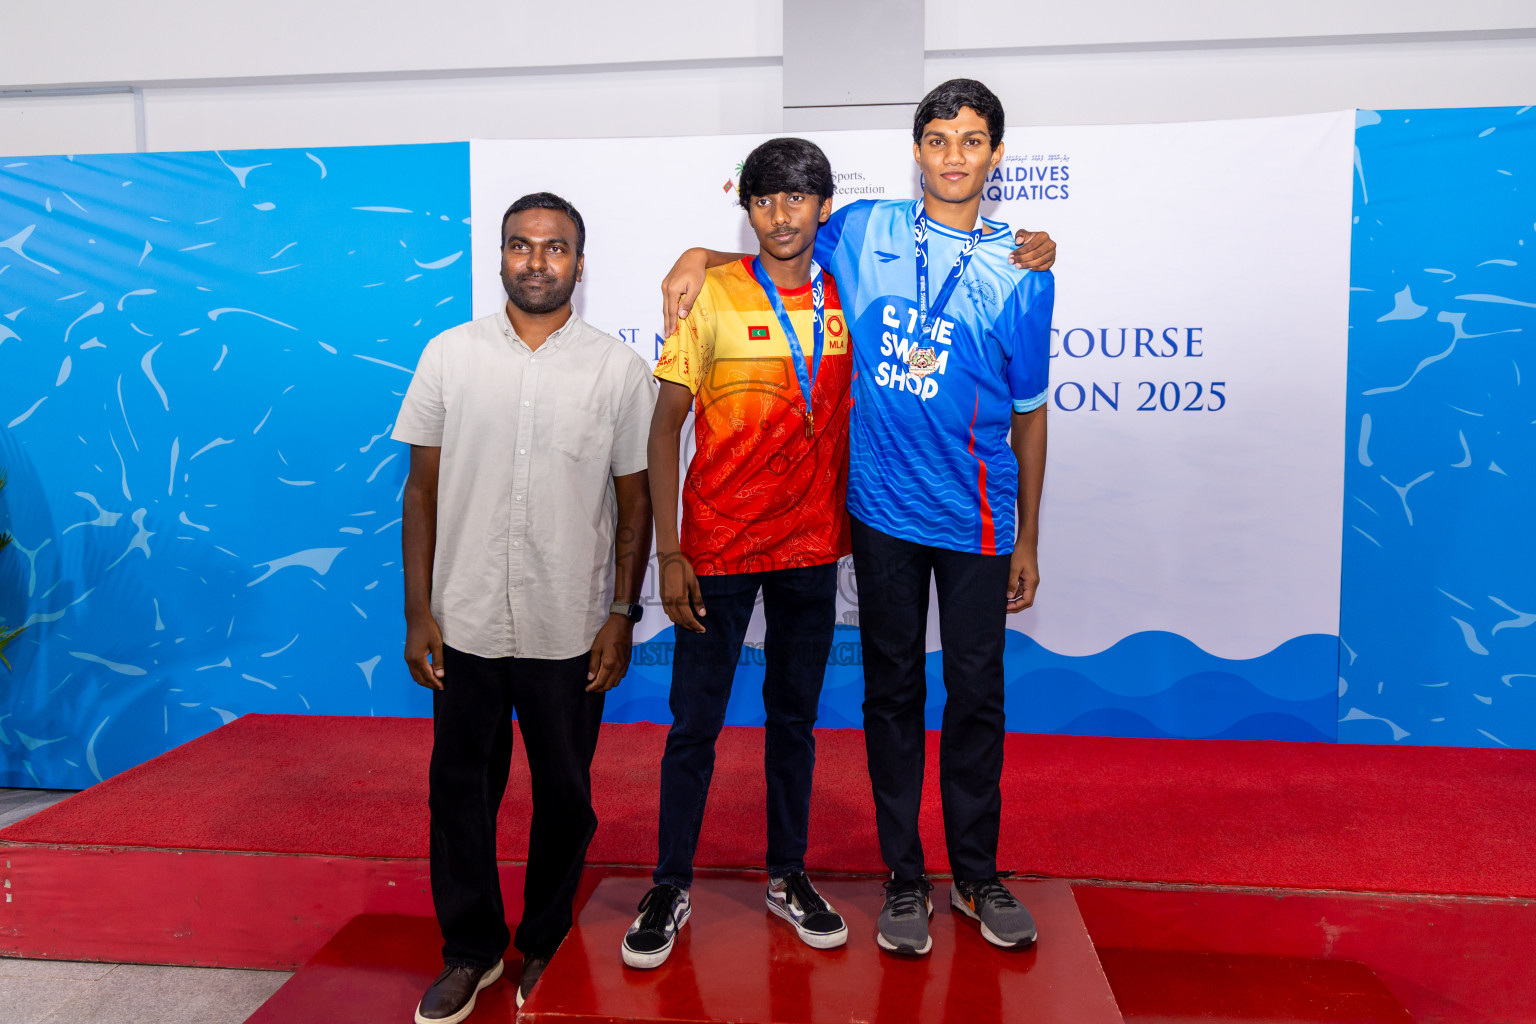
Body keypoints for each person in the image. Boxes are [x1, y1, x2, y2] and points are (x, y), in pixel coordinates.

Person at [660, 79, 1055, 957]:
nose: (955, 155)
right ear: (917, 151)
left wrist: (1029, 533)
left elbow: (1030, 410)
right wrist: (695, 252)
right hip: (878, 511)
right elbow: (778, 243)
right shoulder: (866, 227)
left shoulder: (1025, 269)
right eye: (940, 139)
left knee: (977, 699)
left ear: (995, 155)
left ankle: (978, 879)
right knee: (891, 696)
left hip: (980, 520)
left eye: (974, 140)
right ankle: (904, 881)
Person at [394, 192, 655, 1022]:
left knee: (566, 796)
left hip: (570, 624)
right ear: (500, 256)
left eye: (554, 248)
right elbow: (421, 492)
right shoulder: (448, 356)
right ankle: (470, 951)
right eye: (520, 246)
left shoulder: (617, 369)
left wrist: (620, 612)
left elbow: (636, 503)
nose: (536, 261)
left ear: (579, 261)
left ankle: (543, 941)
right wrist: (418, 613)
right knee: (460, 793)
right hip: (465, 618)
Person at [621, 138, 852, 970]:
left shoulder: (850, 292)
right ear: (746, 208)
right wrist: (669, 554)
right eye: (763, 200)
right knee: (695, 724)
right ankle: (669, 881)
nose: (780, 216)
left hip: (811, 548)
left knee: (795, 721)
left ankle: (788, 874)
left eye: (797, 199)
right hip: (715, 549)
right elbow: (661, 425)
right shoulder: (712, 296)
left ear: (825, 207)